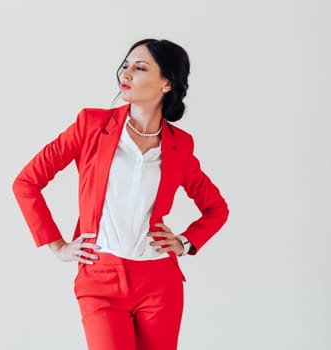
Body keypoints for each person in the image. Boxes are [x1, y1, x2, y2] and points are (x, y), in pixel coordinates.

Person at [12, 38, 229, 350]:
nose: (125, 74)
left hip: (159, 283)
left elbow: (216, 208)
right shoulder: (91, 125)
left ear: (166, 83)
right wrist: (57, 245)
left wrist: (184, 242)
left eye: (139, 68)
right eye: (125, 66)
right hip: (100, 277)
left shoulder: (179, 145)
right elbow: (27, 182)